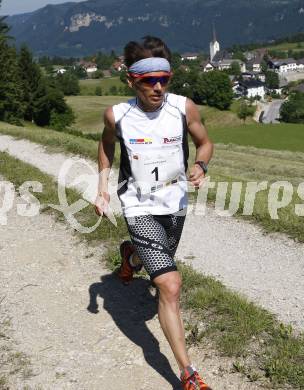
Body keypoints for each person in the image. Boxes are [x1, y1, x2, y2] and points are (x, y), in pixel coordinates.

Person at [95, 36, 214, 390]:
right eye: (149, 81)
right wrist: (102, 186)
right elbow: (105, 145)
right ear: (132, 80)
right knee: (169, 284)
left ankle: (130, 256)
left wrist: (201, 166)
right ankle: (188, 374)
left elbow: (205, 142)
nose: (158, 87)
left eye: (164, 78)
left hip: (175, 203)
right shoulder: (117, 115)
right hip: (138, 204)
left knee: (158, 267)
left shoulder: (184, 108)